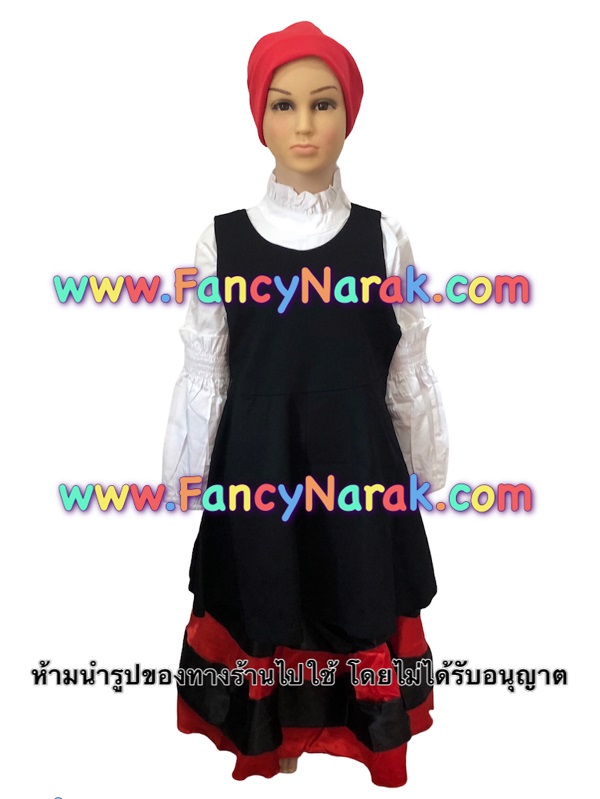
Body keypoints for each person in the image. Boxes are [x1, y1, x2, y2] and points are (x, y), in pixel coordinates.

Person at [162, 21, 449, 788]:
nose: (304, 124)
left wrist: (423, 470)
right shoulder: (220, 242)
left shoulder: (383, 238)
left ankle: (355, 734)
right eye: (283, 104)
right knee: (266, 597)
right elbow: (205, 370)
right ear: (258, 117)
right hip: (258, 476)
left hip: (361, 478)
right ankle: (274, 740)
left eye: (323, 103)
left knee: (357, 594)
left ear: (349, 114)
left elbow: (407, 366)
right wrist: (188, 479)